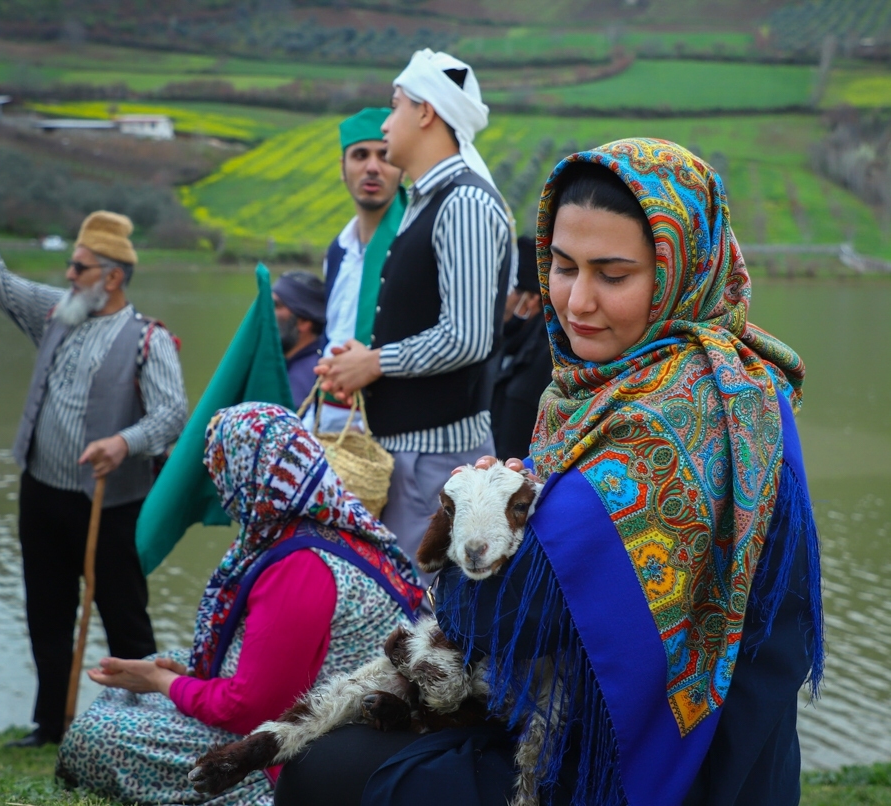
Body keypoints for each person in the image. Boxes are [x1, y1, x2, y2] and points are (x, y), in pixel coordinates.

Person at [276, 140, 825, 806]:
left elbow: (495, 615)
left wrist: (471, 520)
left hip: (642, 764)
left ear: (680, 268)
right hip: (722, 750)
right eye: (562, 267)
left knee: (322, 772)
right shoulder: (734, 382)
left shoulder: (669, 417)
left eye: (613, 274)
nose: (577, 301)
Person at [55, 403, 423, 805]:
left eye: (221, 469)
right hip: (336, 725)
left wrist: (165, 682)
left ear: (248, 475)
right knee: (131, 687)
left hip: (304, 753)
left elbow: (252, 708)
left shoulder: (301, 566)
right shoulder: (327, 526)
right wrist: (184, 677)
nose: (218, 484)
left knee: (95, 736)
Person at [0, 145, 189, 748]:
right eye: (72, 265)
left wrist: (123, 441)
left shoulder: (148, 339)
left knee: (124, 618)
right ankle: (50, 726)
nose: (68, 275)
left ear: (112, 276)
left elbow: (172, 414)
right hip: (43, 491)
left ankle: (139, 728)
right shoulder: (57, 314)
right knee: (47, 615)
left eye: (80, 267)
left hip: (112, 504)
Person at [317, 50, 517, 582]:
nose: (386, 122)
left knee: (427, 622)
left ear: (426, 112)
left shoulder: (465, 204)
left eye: (395, 104)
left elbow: (470, 335)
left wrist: (375, 362)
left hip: (435, 464)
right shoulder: (429, 203)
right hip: (410, 460)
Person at [315, 107, 407, 431]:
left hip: (388, 424)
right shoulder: (337, 250)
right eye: (359, 155)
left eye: (384, 155)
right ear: (343, 168)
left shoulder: (413, 243)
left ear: (402, 169)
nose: (372, 167)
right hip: (328, 418)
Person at [483, 235, 553, 460]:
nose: (496, 298)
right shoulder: (509, 341)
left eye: (506, 289)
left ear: (531, 298)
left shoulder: (547, 359)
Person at [272, 270, 328, 408]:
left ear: (303, 322)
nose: (267, 314)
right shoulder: (288, 364)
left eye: (276, 306)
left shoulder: (304, 377)